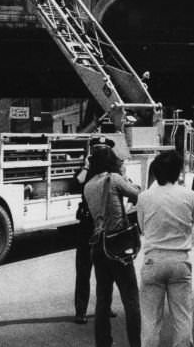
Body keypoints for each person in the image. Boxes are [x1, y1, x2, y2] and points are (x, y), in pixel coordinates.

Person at [84, 145, 142, 347]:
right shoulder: (114, 179)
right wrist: (125, 176)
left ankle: (103, 343)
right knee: (131, 298)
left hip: (98, 245)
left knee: (103, 299)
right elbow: (137, 196)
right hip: (117, 243)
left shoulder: (88, 185)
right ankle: (136, 343)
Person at [138, 149, 194, 347]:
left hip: (153, 260)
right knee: (182, 317)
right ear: (178, 171)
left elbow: (142, 227)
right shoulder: (190, 195)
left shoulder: (144, 197)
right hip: (180, 260)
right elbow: (191, 223)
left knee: (150, 321)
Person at [74, 136, 116, 324]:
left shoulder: (111, 172)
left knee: (106, 270)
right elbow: (77, 182)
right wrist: (85, 165)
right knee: (84, 269)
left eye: (103, 150)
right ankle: (81, 310)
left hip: (105, 224)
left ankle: (105, 307)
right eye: (97, 150)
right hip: (86, 224)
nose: (100, 153)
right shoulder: (87, 170)